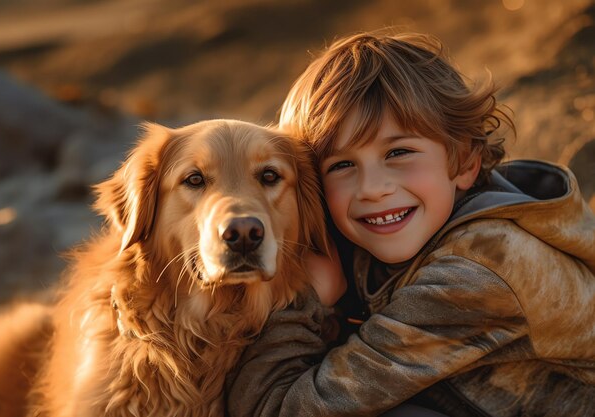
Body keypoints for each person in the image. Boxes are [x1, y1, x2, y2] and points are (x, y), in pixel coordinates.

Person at [225, 30, 595, 417]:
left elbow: (273, 409)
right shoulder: (400, 229)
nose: (372, 189)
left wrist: (306, 299)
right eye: (342, 165)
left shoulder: (478, 271)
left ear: (465, 162)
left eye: (399, 152)